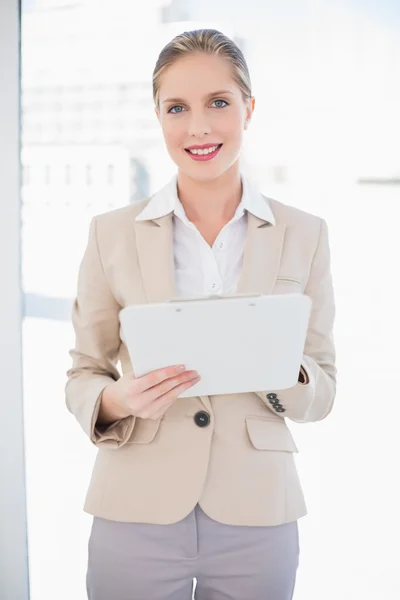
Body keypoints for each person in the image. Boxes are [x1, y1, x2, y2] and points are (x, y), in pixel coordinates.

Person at [65, 28, 337, 600]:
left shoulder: (304, 233)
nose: (199, 127)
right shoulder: (110, 233)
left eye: (219, 102)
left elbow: (324, 386)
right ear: (159, 117)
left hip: (258, 509)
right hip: (135, 502)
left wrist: (284, 370)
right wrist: (117, 400)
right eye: (177, 108)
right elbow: (84, 371)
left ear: (249, 108)